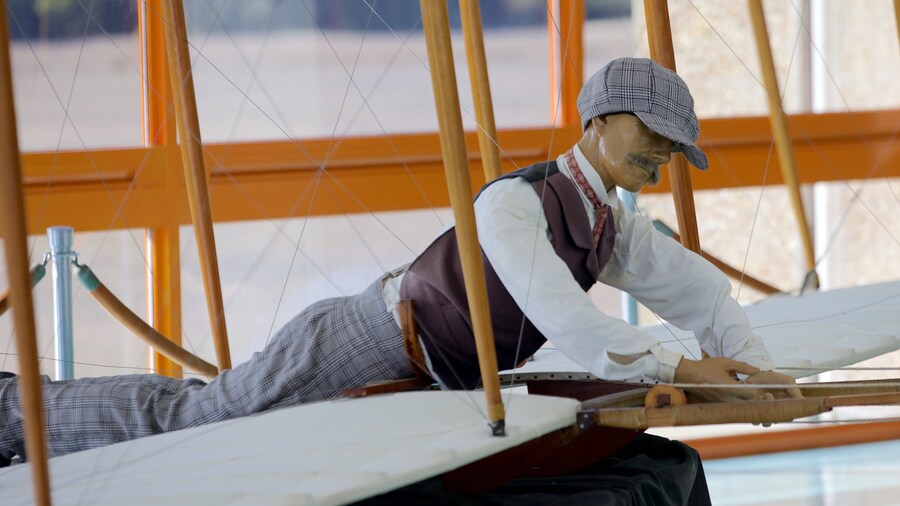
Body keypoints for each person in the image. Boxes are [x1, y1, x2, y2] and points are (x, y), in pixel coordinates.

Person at [0, 58, 797, 499]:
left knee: (199, 416)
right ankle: (13, 412)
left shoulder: (607, 223)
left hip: (426, 374)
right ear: (595, 122)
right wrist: (686, 368)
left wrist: (759, 370)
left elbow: (701, 293)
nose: (663, 154)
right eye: (652, 135)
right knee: (197, 420)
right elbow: (572, 321)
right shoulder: (513, 205)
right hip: (363, 341)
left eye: (672, 146)